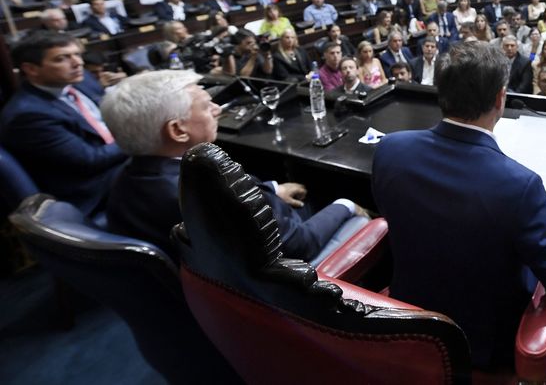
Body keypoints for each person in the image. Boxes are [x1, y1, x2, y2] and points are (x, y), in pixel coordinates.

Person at [371, 42, 546, 374]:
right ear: (500, 98)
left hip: (408, 323)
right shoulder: (521, 185)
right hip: (483, 351)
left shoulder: (389, 150)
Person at [103, 70, 368, 263]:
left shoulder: (122, 184)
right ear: (178, 130)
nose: (217, 110)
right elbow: (299, 244)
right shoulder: (220, 191)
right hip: (282, 290)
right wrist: (345, 204)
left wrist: (271, 189)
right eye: (207, 106)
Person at [0, 32, 128, 216]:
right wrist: (142, 135)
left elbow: (112, 111)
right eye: (62, 58)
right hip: (93, 189)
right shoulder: (28, 115)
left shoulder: (79, 80)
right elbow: (90, 160)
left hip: (114, 160)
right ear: (31, 69)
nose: (78, 63)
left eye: (77, 54)